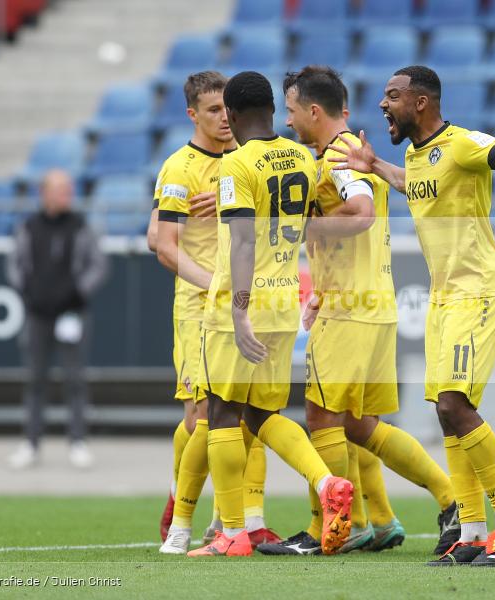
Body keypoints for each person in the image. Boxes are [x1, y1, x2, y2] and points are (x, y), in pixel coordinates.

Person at [328, 65, 495, 567]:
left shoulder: (463, 144)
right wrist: (374, 165)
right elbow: (414, 183)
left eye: (392, 96)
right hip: (444, 298)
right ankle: (471, 532)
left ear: (421, 102)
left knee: (455, 405)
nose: (383, 104)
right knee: (445, 412)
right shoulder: (417, 154)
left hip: (479, 292)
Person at [256, 65, 458, 557]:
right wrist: (321, 287)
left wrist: (304, 226)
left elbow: (361, 213)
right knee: (360, 426)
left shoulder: (341, 158)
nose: (287, 121)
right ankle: (451, 500)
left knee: (321, 417)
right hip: (371, 303)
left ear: (314, 111)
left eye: (291, 110)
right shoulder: (348, 155)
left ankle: (324, 528)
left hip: (351, 312)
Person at [189, 71, 353, 558]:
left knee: (222, 411)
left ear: (232, 114)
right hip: (284, 301)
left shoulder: (236, 164)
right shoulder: (303, 157)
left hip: (241, 303)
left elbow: (242, 242)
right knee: (263, 415)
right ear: (273, 110)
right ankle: (325, 483)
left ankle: (232, 534)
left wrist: (239, 313)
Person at [146, 71, 277, 553]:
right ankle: (180, 501)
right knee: (201, 415)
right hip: (199, 305)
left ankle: (232, 521)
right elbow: (162, 244)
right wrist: (216, 284)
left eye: (227, 109)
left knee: (244, 413)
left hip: (246, 302)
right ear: (192, 115)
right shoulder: (180, 168)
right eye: (213, 110)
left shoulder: (245, 160)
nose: (224, 118)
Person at [5, 169, 108, 469]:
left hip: (71, 314)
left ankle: (78, 442)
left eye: (69, 189)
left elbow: (98, 265)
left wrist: (77, 292)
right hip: (38, 315)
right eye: (61, 189)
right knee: (35, 380)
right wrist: (28, 291)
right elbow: (14, 265)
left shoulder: (81, 226)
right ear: (45, 193)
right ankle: (31, 443)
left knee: (75, 379)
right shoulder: (29, 227)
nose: (67, 195)